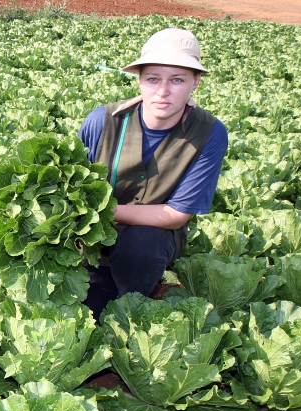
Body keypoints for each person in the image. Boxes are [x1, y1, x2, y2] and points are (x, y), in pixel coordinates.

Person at [78, 28, 228, 319]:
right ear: (140, 80)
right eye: (153, 79)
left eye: (177, 80)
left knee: (142, 242)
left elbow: (176, 215)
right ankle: (103, 282)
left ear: (195, 82)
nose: (163, 91)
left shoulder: (209, 133)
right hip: (92, 241)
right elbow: (72, 190)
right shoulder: (102, 122)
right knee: (86, 311)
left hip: (152, 238)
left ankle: (133, 298)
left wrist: (102, 211)